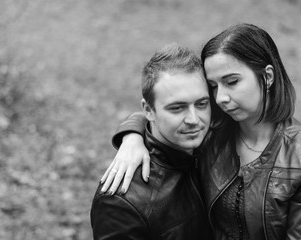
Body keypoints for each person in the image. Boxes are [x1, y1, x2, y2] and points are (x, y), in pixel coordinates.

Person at [101, 23, 301, 240]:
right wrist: (131, 136)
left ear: (267, 76)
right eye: (213, 86)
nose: (221, 98)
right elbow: (166, 108)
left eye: (232, 81)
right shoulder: (215, 127)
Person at [90, 43, 213, 240]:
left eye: (201, 104)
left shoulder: (215, 144)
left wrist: (131, 132)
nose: (194, 119)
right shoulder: (121, 202)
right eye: (177, 108)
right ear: (148, 110)